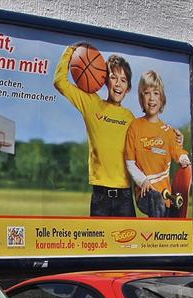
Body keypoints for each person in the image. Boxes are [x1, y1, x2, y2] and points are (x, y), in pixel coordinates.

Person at [53, 43, 135, 217]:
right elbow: (60, 81)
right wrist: (71, 51)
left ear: (128, 88)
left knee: (129, 245)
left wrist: (173, 137)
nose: (118, 84)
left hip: (126, 197)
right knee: (98, 244)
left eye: (123, 80)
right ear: (105, 80)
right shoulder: (92, 104)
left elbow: (143, 146)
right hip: (100, 197)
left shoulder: (130, 117)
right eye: (113, 77)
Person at [124, 70, 191, 218]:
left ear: (162, 99)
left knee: (166, 214)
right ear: (142, 97)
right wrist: (143, 181)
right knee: (156, 200)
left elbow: (177, 151)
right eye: (147, 93)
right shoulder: (135, 127)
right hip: (145, 192)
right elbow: (130, 163)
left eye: (156, 93)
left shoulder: (168, 131)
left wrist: (184, 160)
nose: (151, 98)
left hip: (166, 194)